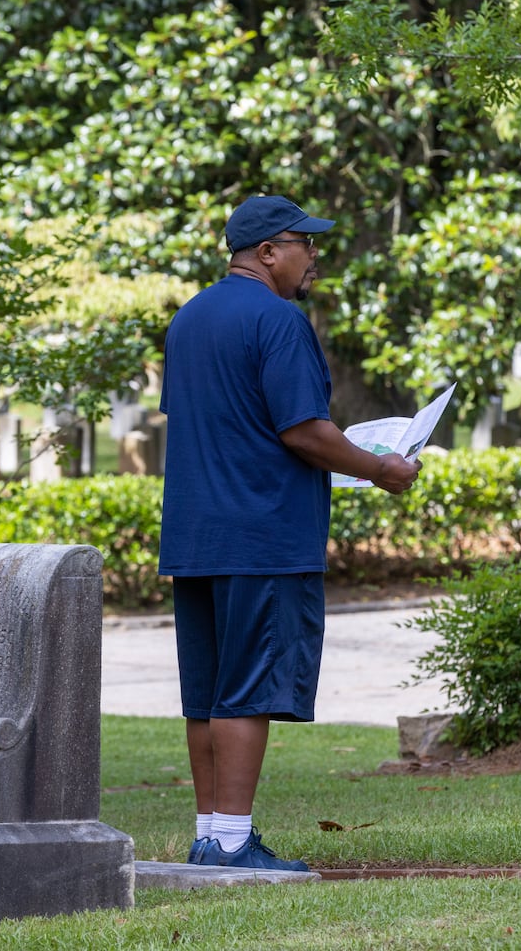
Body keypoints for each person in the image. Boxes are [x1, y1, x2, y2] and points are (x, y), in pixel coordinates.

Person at [158, 195, 422, 871]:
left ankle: (208, 836)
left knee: (209, 693)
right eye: (304, 242)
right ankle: (234, 843)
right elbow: (302, 430)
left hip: (196, 535)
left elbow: (226, 423)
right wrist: (380, 468)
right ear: (267, 252)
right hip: (263, 534)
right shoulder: (278, 320)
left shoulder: (188, 319)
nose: (315, 256)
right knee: (246, 690)